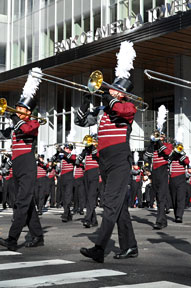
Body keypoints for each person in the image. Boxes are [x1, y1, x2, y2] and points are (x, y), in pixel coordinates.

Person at [76, 41, 139, 262]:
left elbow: (120, 110)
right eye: (110, 88)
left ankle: (99, 248)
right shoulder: (104, 108)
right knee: (118, 207)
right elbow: (81, 121)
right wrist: (85, 103)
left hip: (120, 159)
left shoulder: (128, 106)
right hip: (105, 160)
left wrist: (109, 97)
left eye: (114, 89)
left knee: (110, 204)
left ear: (122, 94)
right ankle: (130, 246)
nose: (109, 90)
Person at [0, 68, 44, 250]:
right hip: (18, 166)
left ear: (28, 111)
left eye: (21, 108)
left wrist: (15, 119)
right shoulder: (16, 126)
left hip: (28, 164)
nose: (17, 110)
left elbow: (26, 130)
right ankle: (37, 235)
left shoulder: (33, 123)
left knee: (22, 202)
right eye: (18, 108)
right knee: (26, 203)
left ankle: (12, 239)